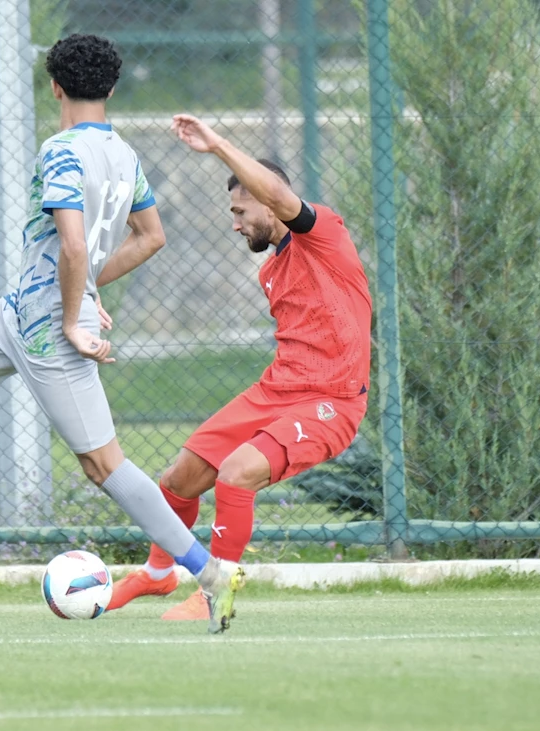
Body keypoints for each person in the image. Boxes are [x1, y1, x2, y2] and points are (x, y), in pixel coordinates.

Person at [0, 37, 244, 634]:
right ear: (111, 89)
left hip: (49, 328)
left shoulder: (60, 151)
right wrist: (87, 291)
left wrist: (73, 315)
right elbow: (150, 236)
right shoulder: (124, 154)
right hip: (18, 311)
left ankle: (207, 569)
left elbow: (72, 243)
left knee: (103, 465)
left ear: (54, 87)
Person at [107, 113, 372, 619]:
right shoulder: (272, 269)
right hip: (277, 391)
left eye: (240, 210)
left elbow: (273, 192)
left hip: (331, 402)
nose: (234, 223)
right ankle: (157, 575)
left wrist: (218, 146)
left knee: (236, 474)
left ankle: (216, 591)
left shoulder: (325, 236)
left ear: (270, 203)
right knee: (178, 480)